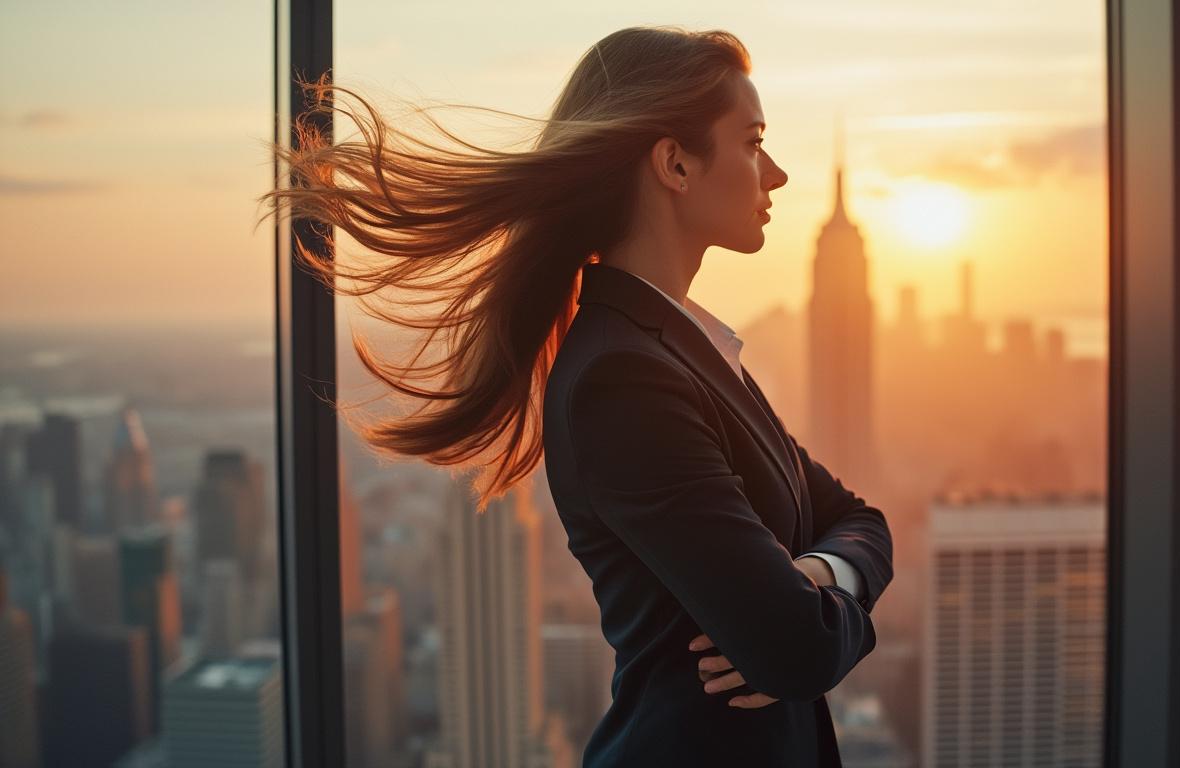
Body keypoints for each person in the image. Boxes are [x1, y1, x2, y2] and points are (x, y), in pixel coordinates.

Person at [261, 24, 892, 767]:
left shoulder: (690, 352)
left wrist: (816, 575)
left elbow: (860, 520)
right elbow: (794, 648)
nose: (776, 173)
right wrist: (819, 609)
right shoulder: (624, 382)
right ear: (675, 164)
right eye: (753, 142)